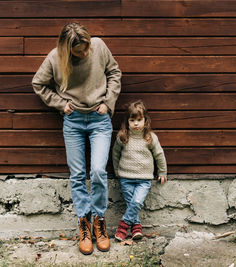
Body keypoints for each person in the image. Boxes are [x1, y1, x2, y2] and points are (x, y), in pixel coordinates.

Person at [32, 22, 121, 255]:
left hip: (99, 119)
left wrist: (108, 102)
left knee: (99, 171)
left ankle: (99, 222)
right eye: (78, 51)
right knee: (78, 174)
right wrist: (61, 104)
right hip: (72, 122)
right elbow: (38, 84)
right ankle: (83, 223)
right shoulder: (54, 58)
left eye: (85, 48)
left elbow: (114, 73)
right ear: (67, 49)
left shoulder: (99, 46)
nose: (83, 53)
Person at [112, 100, 167, 241]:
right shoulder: (123, 137)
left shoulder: (150, 138)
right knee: (132, 204)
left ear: (145, 121)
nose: (136, 124)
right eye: (132, 120)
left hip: (144, 179)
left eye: (139, 120)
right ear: (127, 121)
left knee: (136, 202)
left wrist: (162, 172)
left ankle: (123, 226)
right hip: (126, 178)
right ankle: (136, 227)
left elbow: (159, 155)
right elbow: (115, 153)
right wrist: (117, 170)